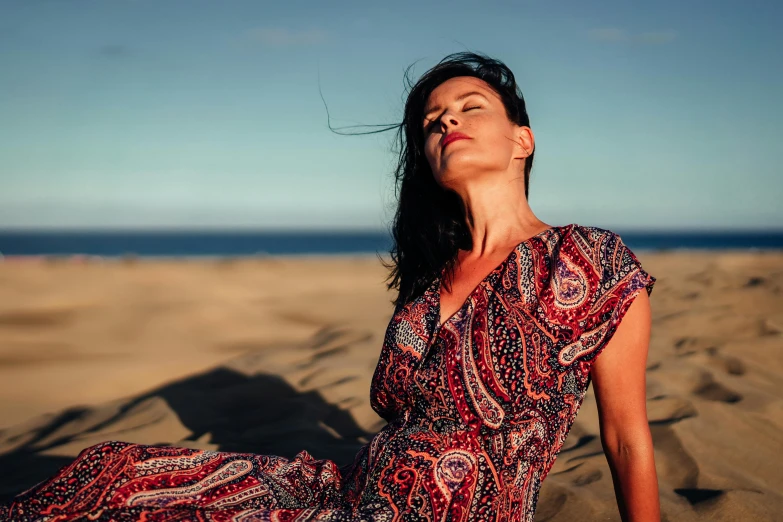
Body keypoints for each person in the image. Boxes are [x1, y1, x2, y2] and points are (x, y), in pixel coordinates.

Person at [0, 52, 659, 522]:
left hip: (447, 511)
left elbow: (626, 437)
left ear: (522, 140)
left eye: (468, 107)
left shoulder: (586, 258)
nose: (444, 123)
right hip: (338, 491)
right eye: (431, 120)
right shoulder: (427, 286)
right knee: (113, 471)